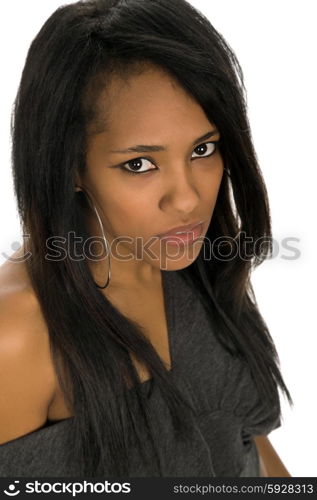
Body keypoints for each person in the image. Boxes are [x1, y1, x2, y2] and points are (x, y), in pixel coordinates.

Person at [0, 0, 292, 477]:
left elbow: (245, 446)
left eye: (203, 149)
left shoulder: (197, 260)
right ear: (71, 166)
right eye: (140, 164)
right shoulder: (18, 334)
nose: (187, 200)